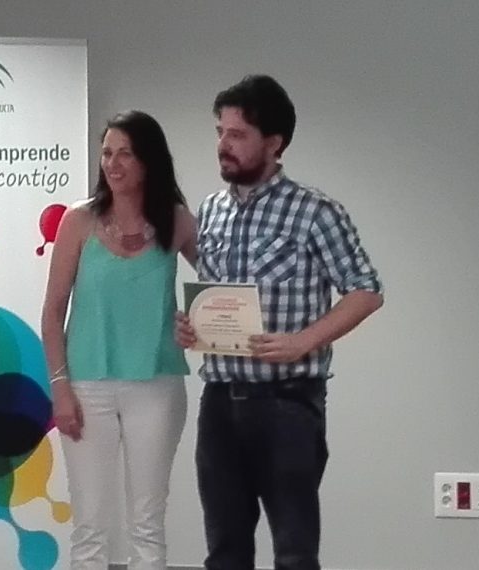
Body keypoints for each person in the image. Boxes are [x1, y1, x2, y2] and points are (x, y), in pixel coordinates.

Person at [175, 75, 384, 570]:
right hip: (219, 401)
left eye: (237, 135)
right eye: (220, 132)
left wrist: (303, 341)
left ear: (274, 142)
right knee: (224, 551)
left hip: (287, 402)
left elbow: (366, 291)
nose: (223, 145)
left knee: (294, 552)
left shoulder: (315, 212)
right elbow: (215, 293)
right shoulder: (212, 211)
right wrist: (192, 327)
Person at [41, 110, 196, 570]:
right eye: (107, 153)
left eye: (125, 153)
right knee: (90, 525)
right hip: (86, 386)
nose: (113, 163)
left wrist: (197, 325)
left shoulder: (177, 221)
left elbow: (222, 293)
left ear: (149, 160)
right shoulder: (79, 221)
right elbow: (52, 312)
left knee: (147, 523)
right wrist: (60, 388)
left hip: (157, 384)